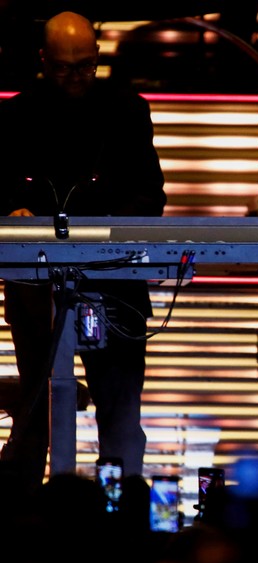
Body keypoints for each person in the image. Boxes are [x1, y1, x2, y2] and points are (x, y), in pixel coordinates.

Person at [0, 11, 166, 493]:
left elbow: (150, 195)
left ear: (97, 56)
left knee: (119, 410)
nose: (74, 78)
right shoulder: (16, 116)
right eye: (62, 68)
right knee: (37, 405)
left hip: (113, 285)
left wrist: (105, 231)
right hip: (37, 287)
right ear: (42, 60)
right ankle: (27, 516)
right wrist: (13, 211)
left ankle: (118, 512)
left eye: (84, 67)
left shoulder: (126, 110)